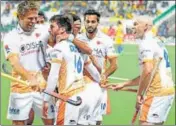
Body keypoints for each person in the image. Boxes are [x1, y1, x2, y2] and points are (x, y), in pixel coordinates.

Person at [107, 16, 175, 125]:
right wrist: (124, 84)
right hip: (167, 92)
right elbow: (149, 74)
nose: (133, 27)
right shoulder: (157, 41)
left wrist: (139, 94)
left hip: (156, 93)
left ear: (146, 27)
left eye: (136, 24)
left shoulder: (146, 43)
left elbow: (147, 71)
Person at [42, 15, 103, 125]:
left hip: (69, 99)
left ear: (61, 30)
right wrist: (101, 81)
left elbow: (53, 76)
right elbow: (94, 72)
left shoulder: (58, 49)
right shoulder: (78, 48)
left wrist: (46, 100)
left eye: (52, 26)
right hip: (83, 97)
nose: (49, 29)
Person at [3, 1, 55, 125]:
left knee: (50, 121)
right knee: (18, 123)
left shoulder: (43, 30)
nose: (33, 21)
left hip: (42, 84)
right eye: (30, 18)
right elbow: (14, 62)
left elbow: (55, 46)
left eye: (35, 18)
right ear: (20, 17)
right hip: (20, 86)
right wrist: (29, 78)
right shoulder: (11, 37)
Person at [78, 9, 118, 125]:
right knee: (79, 118)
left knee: (96, 120)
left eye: (93, 22)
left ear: (98, 23)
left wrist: (103, 76)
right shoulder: (78, 39)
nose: (90, 24)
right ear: (84, 22)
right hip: (80, 84)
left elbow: (114, 65)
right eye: (87, 21)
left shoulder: (106, 40)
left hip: (98, 84)